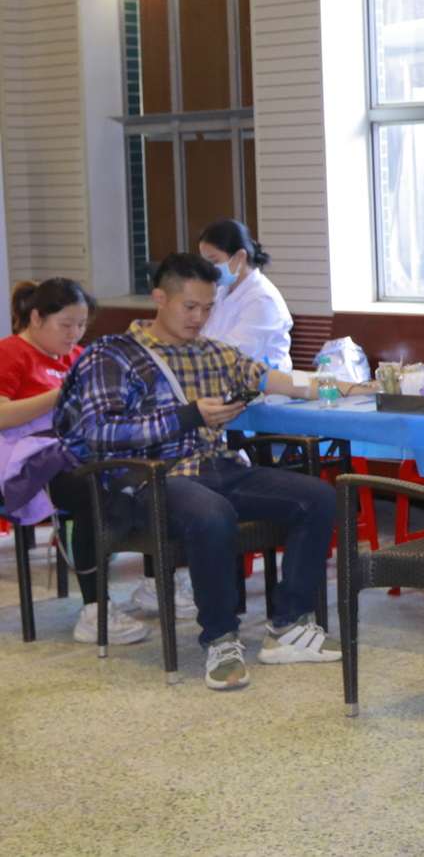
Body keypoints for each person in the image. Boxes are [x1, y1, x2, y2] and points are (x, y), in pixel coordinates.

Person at [49, 252, 347, 689]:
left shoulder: (214, 352)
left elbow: (273, 378)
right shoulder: (113, 356)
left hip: (219, 467)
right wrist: (188, 416)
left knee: (317, 496)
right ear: (159, 298)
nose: (199, 318)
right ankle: (221, 638)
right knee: (211, 514)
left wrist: (348, 386)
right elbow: (99, 432)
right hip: (155, 477)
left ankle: (289, 625)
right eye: (190, 307)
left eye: (208, 308)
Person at [0, 279, 105, 624]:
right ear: (36, 317)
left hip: (73, 453)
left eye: (81, 324)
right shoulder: (10, 352)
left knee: (142, 476)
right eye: (66, 324)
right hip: (26, 464)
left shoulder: (78, 357)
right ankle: (96, 609)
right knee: (94, 490)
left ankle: (153, 581)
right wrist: (58, 395)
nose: (74, 334)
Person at [198, 219, 293, 372]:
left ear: (240, 256)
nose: (210, 268)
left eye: (214, 261)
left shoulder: (262, 299)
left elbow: (235, 351)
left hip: (262, 382)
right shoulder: (221, 292)